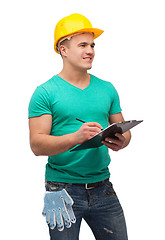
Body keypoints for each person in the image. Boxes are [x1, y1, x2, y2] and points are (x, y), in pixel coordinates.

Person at [28, 13, 131, 240]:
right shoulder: (45, 92)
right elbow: (37, 144)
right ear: (63, 50)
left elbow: (124, 129)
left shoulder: (107, 89)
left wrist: (122, 140)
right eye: (82, 45)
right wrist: (77, 137)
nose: (90, 51)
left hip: (103, 187)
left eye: (92, 45)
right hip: (62, 191)